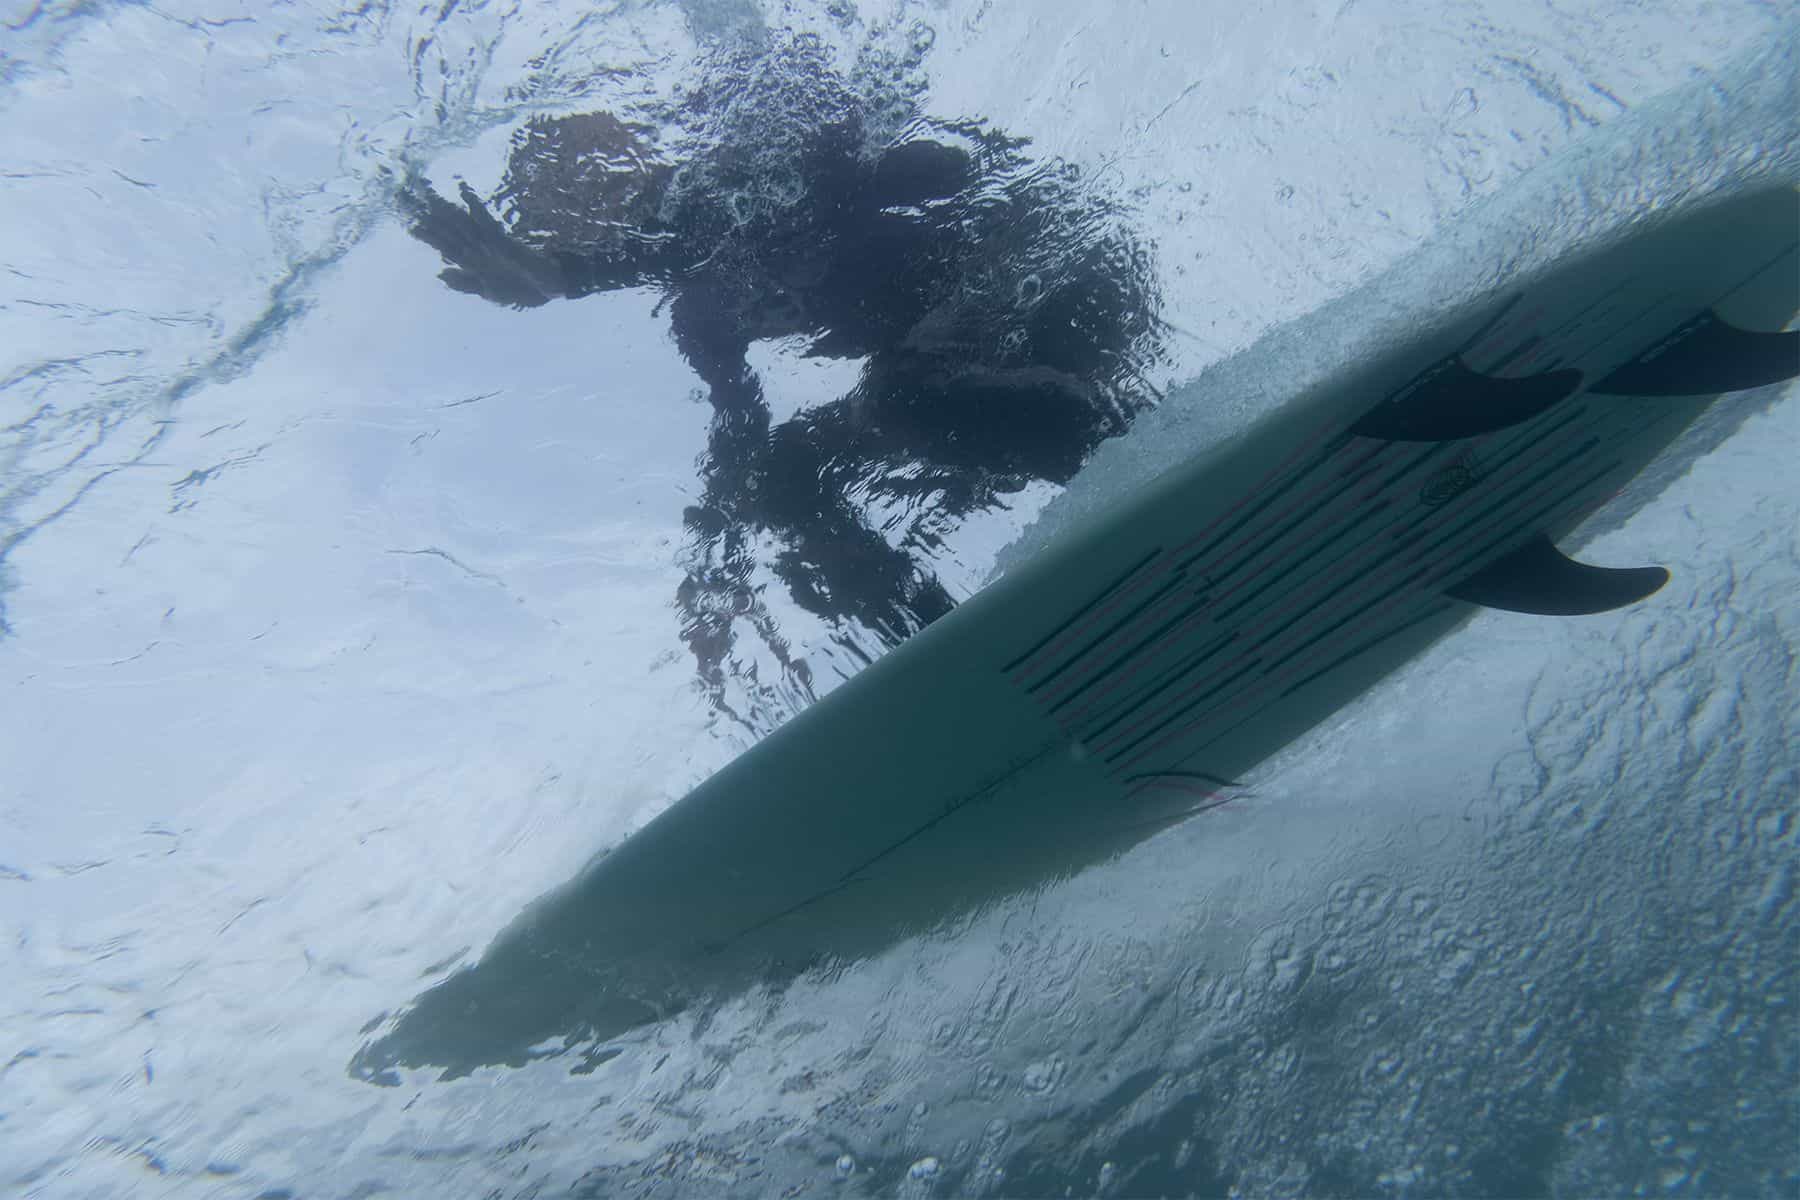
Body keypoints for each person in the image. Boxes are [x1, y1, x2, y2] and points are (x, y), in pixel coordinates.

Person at [402, 36, 1163, 726]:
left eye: (582, 168)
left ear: (627, 143)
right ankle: (967, 664)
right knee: (787, 476)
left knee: (904, 395)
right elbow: (740, 439)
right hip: (979, 356)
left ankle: (1166, 454)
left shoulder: (757, 161)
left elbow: (895, 164)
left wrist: (573, 278)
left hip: (1048, 266)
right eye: (560, 206)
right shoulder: (703, 314)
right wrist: (714, 571)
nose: (584, 198)